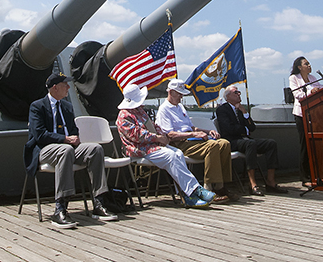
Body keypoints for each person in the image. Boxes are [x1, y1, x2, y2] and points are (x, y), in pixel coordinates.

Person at [24, 73, 119, 229]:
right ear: (55, 87)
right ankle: (60, 208)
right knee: (65, 150)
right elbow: (39, 134)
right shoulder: (37, 106)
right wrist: (65, 139)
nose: (68, 87)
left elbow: (74, 130)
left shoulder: (67, 107)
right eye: (65, 84)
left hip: (67, 148)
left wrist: (75, 138)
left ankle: (99, 202)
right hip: (45, 149)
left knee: (95, 149)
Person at [115, 83, 216, 208]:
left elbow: (153, 125)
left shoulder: (140, 111)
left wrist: (163, 135)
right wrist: (158, 138)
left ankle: (185, 194)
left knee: (178, 153)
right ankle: (194, 190)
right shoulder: (123, 116)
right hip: (138, 149)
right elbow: (137, 135)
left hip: (152, 146)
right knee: (170, 157)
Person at [157, 78, 239, 202]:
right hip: (180, 144)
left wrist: (207, 131)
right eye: (179, 94)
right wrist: (194, 134)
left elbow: (191, 127)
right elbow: (170, 135)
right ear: (171, 92)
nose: (181, 97)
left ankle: (221, 185)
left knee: (224, 143)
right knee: (212, 145)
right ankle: (209, 188)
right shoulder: (164, 110)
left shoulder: (180, 107)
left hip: (192, 140)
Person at [215, 84, 287, 195]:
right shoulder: (222, 110)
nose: (239, 94)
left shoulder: (240, 110)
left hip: (245, 140)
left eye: (239, 92)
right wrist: (244, 129)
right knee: (250, 144)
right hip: (232, 141)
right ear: (227, 96)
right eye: (236, 92)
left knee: (270, 143)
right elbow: (228, 129)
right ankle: (252, 183)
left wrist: (244, 112)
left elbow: (252, 127)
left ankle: (270, 182)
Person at [289, 56, 320, 188]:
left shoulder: (313, 78)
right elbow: (297, 95)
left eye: (309, 63)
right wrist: (311, 91)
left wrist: (317, 90)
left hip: (315, 114)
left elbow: (320, 89)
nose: (309, 66)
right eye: (306, 64)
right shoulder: (294, 78)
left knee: (316, 144)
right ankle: (305, 176)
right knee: (305, 144)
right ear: (299, 67)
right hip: (301, 114)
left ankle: (318, 173)